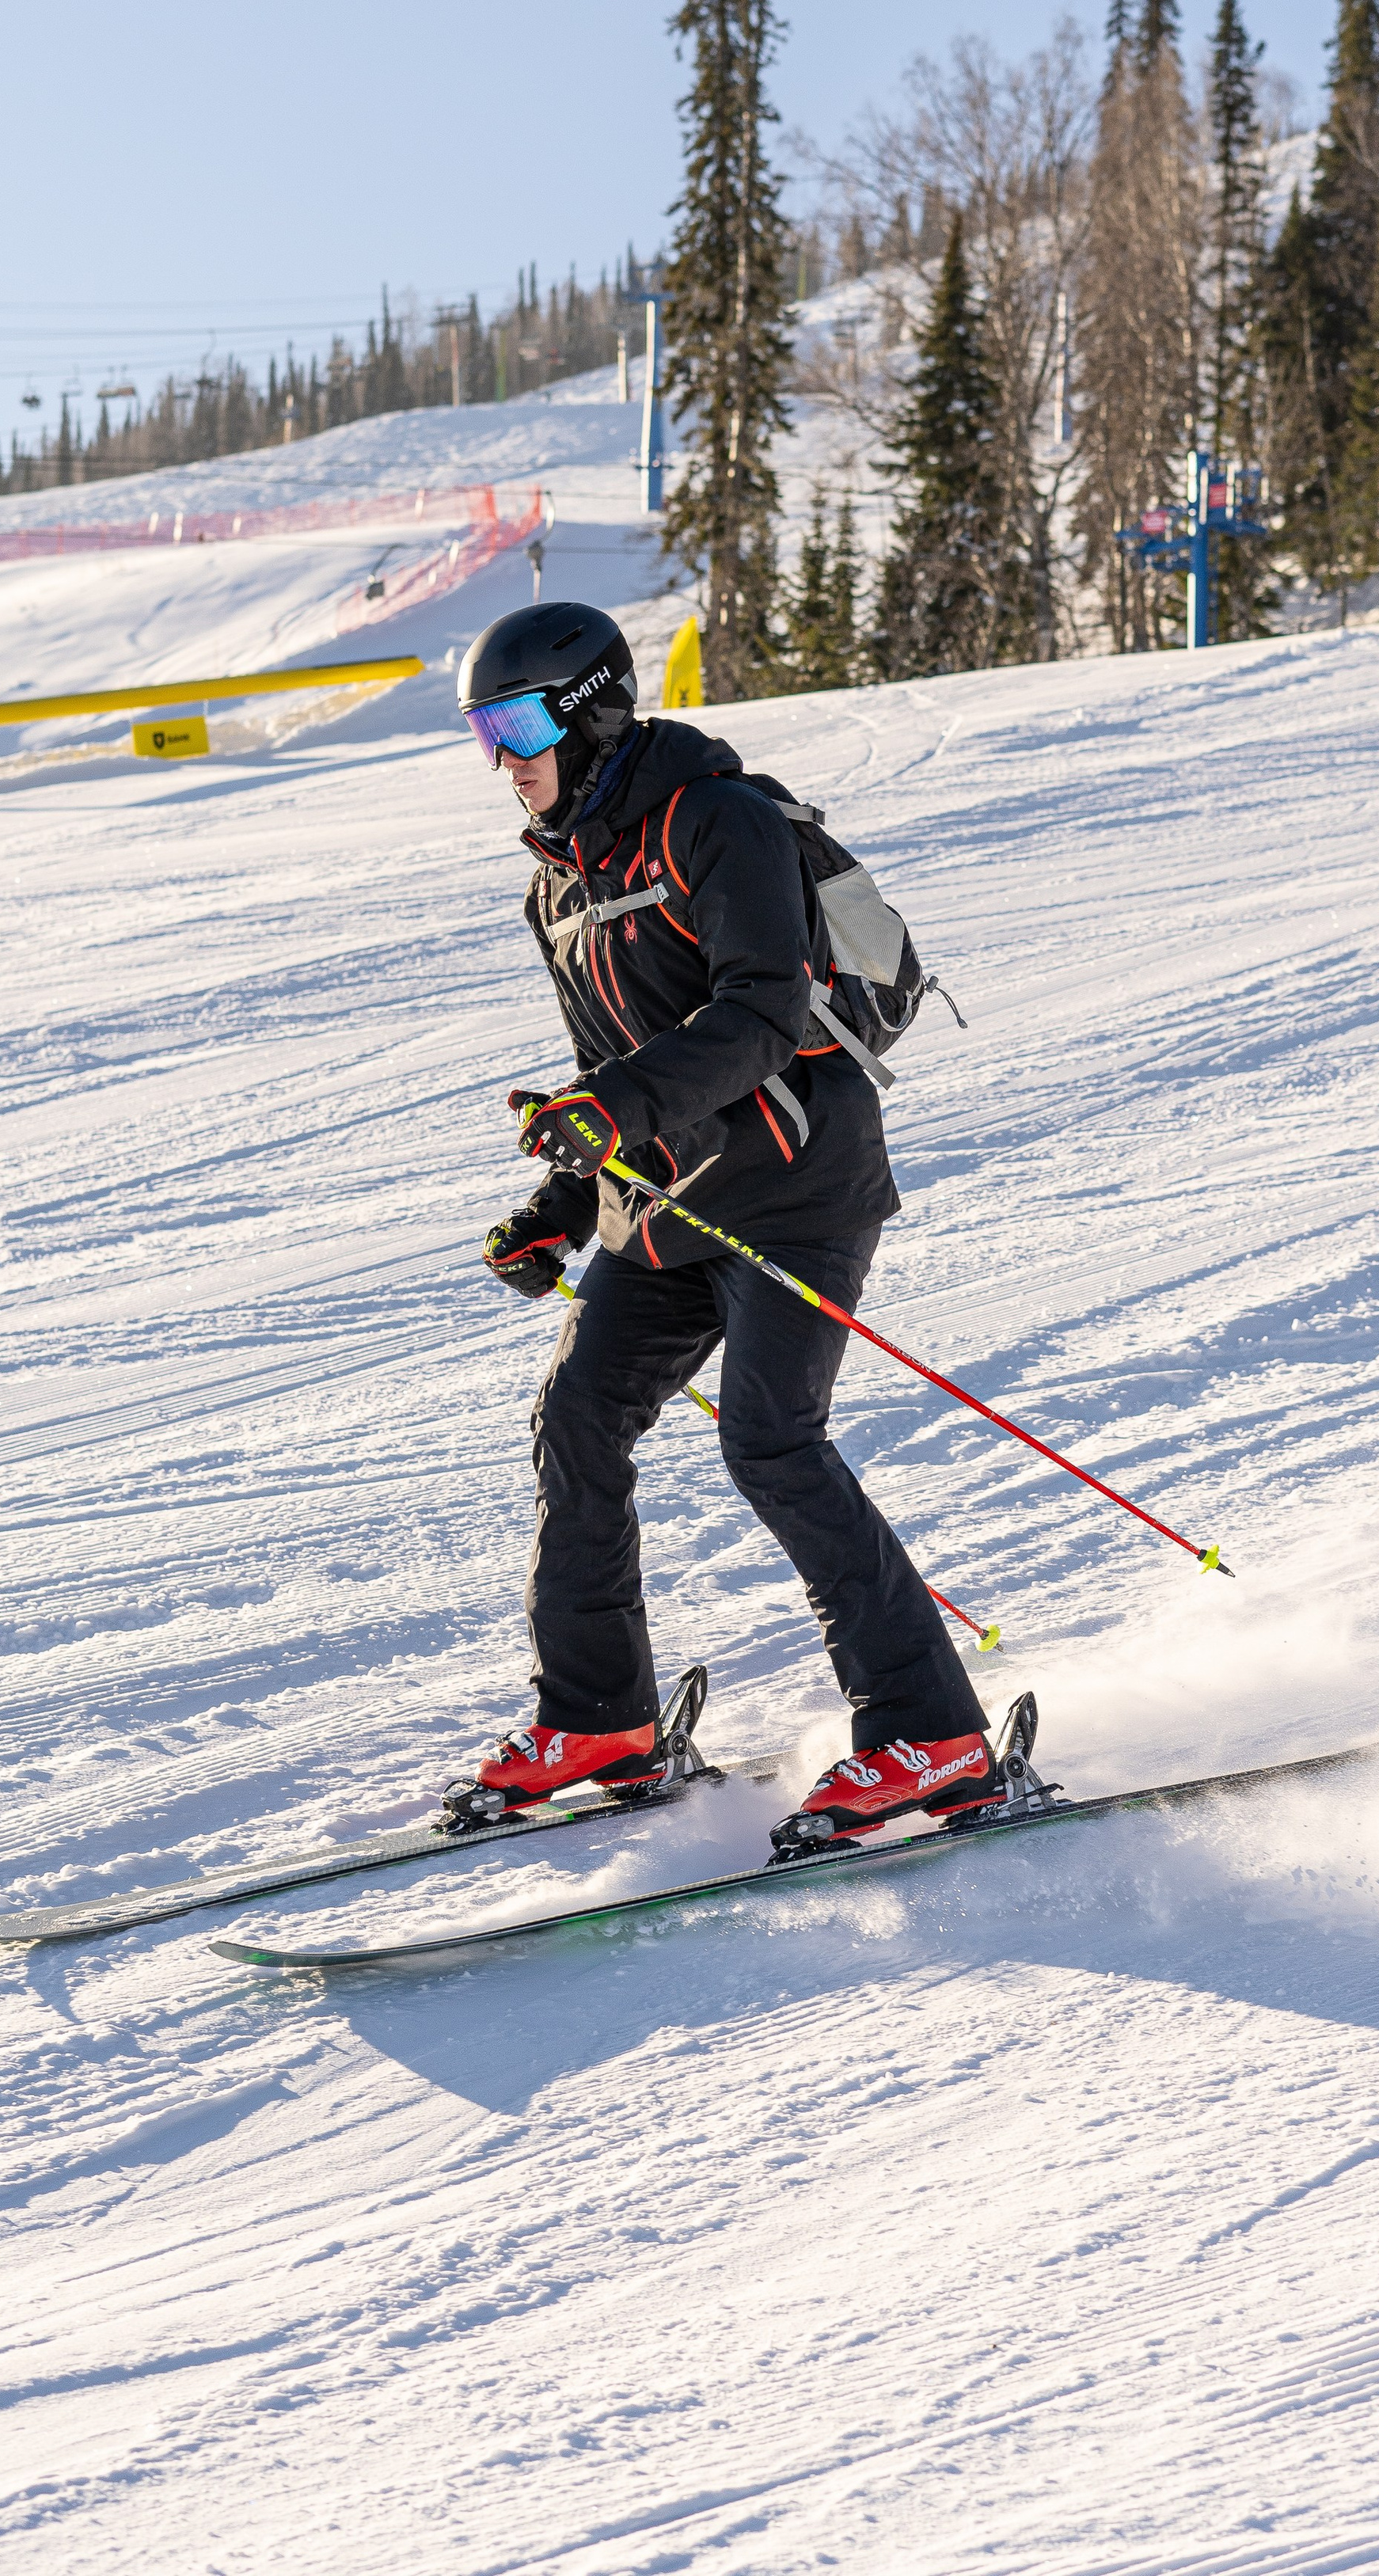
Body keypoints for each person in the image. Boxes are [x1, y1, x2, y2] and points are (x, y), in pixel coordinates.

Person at [450, 599, 993, 1852]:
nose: (503, 758)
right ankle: (600, 1720)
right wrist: (558, 1207)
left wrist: (615, 1110)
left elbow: (760, 1016)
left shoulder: (719, 821)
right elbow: (613, 1070)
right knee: (577, 1414)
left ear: (590, 711)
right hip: (673, 1205)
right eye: (484, 731)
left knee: (770, 1438)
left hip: (801, 1186)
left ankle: (932, 1732)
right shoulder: (560, 882)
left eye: (519, 723)